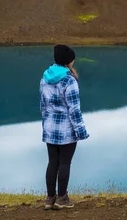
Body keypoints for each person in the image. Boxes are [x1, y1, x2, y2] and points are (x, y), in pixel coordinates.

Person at [39, 44, 89, 210]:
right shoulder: (69, 81)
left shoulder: (45, 77)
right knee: (65, 163)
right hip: (66, 129)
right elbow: (74, 109)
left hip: (49, 127)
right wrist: (81, 131)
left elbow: (43, 105)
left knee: (52, 162)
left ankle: (49, 198)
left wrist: (46, 124)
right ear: (69, 61)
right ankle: (62, 198)